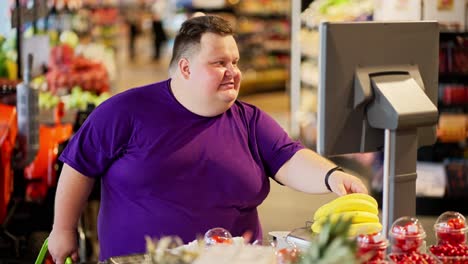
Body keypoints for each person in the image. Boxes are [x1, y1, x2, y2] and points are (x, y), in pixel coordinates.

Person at [48, 15, 368, 263]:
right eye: (219, 63)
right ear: (185, 68)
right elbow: (79, 165)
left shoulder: (250, 120)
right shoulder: (124, 112)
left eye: (235, 62)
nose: (232, 71)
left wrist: (331, 176)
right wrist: (62, 230)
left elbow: (289, 157)